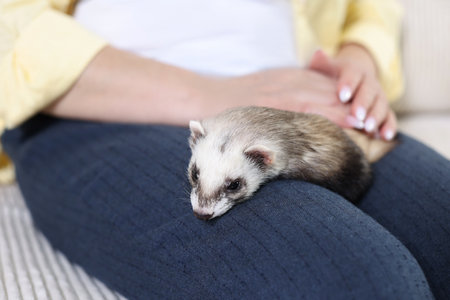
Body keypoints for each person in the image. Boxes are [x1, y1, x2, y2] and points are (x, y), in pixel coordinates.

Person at [1, 0, 449, 299]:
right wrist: (210, 93)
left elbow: (369, 10)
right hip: (101, 99)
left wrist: (359, 57)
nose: (201, 206)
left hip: (290, 97)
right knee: (365, 282)